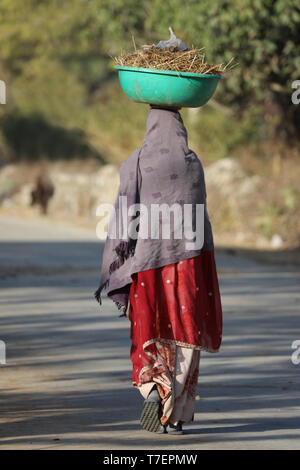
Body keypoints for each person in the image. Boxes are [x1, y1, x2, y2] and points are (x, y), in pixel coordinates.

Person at [95, 104, 223, 435]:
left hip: (148, 266)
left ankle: (152, 388)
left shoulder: (135, 163)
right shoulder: (193, 165)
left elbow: (124, 217)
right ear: (181, 130)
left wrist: (121, 262)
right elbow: (201, 223)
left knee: (148, 330)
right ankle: (177, 413)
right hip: (188, 265)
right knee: (184, 334)